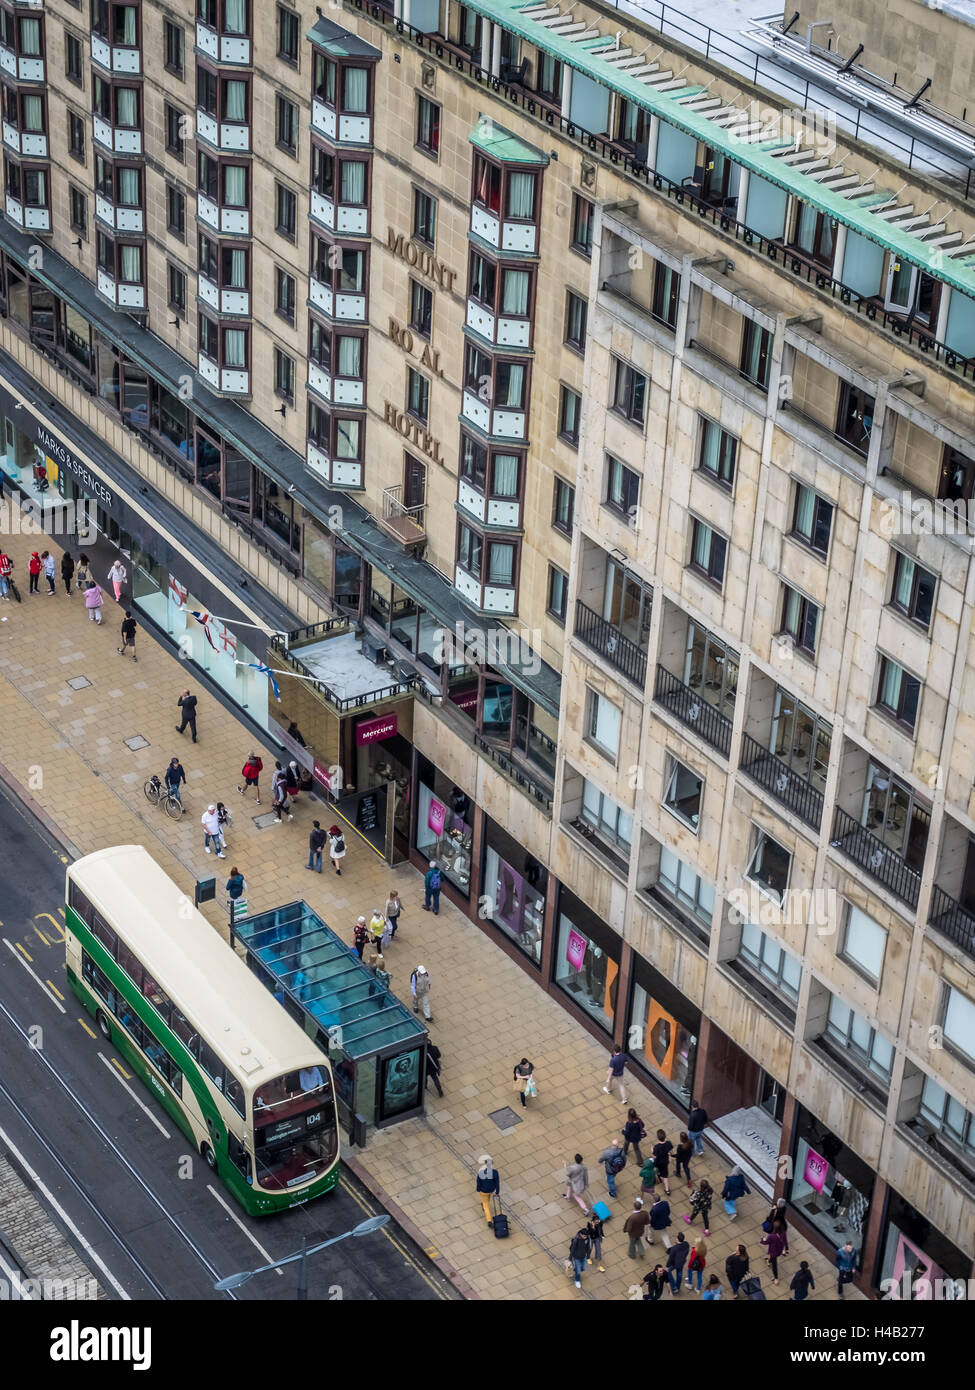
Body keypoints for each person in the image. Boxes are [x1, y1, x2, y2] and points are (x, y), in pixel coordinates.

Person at [475, 1156, 499, 1226]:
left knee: (486, 1205)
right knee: (487, 1199)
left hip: (483, 1191)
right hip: (491, 1190)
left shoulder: (481, 1172)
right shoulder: (495, 1172)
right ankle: (484, 1203)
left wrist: (478, 1189)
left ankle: (489, 1221)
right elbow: (497, 1182)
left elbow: (478, 1182)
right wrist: (497, 1192)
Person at [652, 1129, 673, 1196]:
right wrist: (669, 1154)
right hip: (665, 1162)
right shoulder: (668, 1143)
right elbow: (671, 1152)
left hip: (658, 1162)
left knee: (656, 1170)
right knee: (665, 1174)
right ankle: (667, 1190)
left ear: (658, 1137)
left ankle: (658, 1178)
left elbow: (654, 1156)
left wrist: (652, 1150)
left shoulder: (656, 1147)